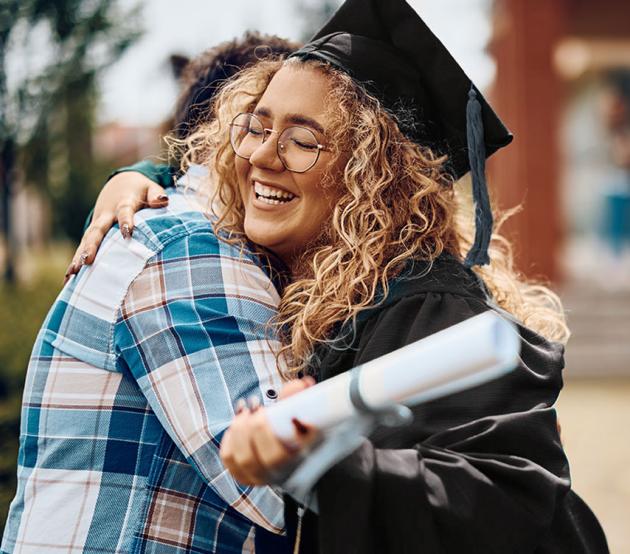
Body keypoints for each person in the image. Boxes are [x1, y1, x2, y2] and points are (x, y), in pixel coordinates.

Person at [64, 1, 609, 553]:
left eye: (302, 141)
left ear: (373, 175)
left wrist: (327, 462)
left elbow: (507, 501)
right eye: (257, 126)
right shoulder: (315, 286)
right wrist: (137, 176)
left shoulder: (428, 305)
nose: (262, 156)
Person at [0, 34, 303, 554]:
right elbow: (277, 486)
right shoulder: (195, 250)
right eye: (262, 126)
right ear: (218, 134)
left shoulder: (178, 231)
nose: (276, 153)